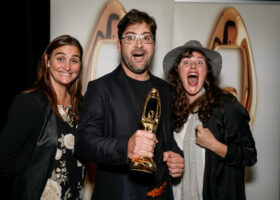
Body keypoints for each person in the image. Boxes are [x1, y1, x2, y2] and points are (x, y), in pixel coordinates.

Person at [75, 9, 184, 200]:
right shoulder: (100, 88)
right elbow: (83, 143)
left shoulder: (164, 89)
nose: (139, 45)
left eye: (146, 38)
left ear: (154, 45)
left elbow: (166, 140)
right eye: (130, 37)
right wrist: (126, 147)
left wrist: (176, 156)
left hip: (161, 194)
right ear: (119, 45)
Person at [163, 40, 257, 200]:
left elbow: (249, 155)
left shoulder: (226, 105)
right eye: (186, 62)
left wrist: (214, 145)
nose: (193, 67)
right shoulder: (171, 110)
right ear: (177, 70)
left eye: (199, 62)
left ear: (207, 71)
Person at [0, 35, 85, 200]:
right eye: (60, 58)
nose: (67, 66)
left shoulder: (81, 106)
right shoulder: (31, 102)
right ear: (47, 60)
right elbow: (4, 160)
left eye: (74, 60)